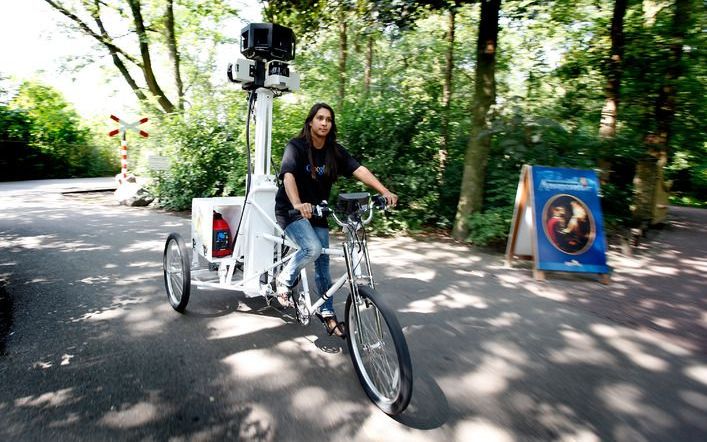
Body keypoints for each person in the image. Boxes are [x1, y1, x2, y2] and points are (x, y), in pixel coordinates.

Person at [274, 103, 397, 338]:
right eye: (319, 118)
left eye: (328, 119)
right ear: (310, 121)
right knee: (313, 248)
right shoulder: (296, 147)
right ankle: (285, 279)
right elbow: (288, 175)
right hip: (291, 211)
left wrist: (384, 191)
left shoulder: (334, 151)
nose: (324, 123)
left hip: (319, 213)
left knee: (323, 265)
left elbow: (359, 170)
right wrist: (298, 204)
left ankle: (327, 314)